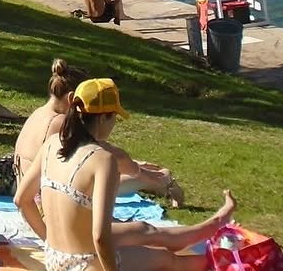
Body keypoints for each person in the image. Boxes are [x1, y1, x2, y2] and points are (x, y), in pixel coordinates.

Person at [14, 78, 236, 271]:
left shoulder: (53, 143)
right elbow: (100, 235)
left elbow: (21, 200)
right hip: (85, 267)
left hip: (54, 257)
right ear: (103, 118)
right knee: (167, 261)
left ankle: (212, 224)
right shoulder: (103, 161)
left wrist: (49, 240)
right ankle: (224, 259)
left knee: (143, 230)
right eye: (114, 118)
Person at [14, 60, 184, 205]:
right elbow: (100, 154)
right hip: (47, 196)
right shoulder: (60, 123)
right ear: (72, 99)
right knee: (107, 173)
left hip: (32, 190)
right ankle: (161, 181)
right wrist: (138, 170)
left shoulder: (39, 113)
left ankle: (157, 181)